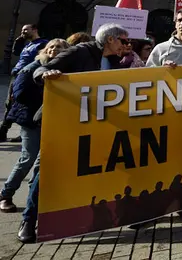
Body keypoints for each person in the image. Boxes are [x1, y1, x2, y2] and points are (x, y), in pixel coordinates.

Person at [24, 24, 128, 243]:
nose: (126, 46)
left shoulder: (116, 60)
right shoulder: (80, 51)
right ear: (110, 39)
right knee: (48, 171)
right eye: (123, 41)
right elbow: (39, 69)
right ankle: (28, 220)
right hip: (64, 121)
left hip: (93, 124)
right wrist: (47, 74)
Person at [0, 39, 69, 214]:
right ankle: (6, 195)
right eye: (51, 47)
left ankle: (35, 196)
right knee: (27, 158)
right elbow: (20, 93)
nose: (54, 49)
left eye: (59, 47)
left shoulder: (65, 70)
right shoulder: (32, 67)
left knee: (41, 162)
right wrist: (45, 98)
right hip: (31, 121)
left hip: (51, 121)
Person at [1, 24, 48, 142]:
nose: (23, 32)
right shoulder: (28, 44)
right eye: (22, 30)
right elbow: (16, 54)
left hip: (28, 76)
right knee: (10, 103)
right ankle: (4, 130)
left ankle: (20, 132)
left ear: (35, 30)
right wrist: (18, 42)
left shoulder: (43, 43)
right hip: (17, 75)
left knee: (21, 103)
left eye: (26, 29)